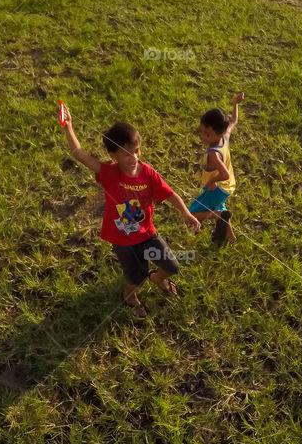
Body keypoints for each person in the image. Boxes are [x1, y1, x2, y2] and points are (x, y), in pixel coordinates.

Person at [61, 105, 200, 317]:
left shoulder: (148, 174)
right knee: (136, 276)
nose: (133, 158)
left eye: (136, 151)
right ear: (113, 155)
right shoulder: (108, 173)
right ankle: (130, 295)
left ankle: (159, 278)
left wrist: (185, 212)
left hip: (147, 235)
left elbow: (170, 194)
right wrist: (69, 127)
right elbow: (79, 154)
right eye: (126, 154)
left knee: (171, 265)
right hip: (123, 240)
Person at [189, 92, 244, 244]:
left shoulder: (213, 154)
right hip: (228, 187)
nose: (201, 136)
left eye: (207, 134)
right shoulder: (225, 136)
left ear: (218, 134)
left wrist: (212, 181)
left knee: (192, 213)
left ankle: (218, 215)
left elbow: (224, 174)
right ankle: (230, 237)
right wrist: (235, 103)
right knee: (221, 207)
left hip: (218, 187)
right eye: (200, 131)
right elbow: (234, 120)